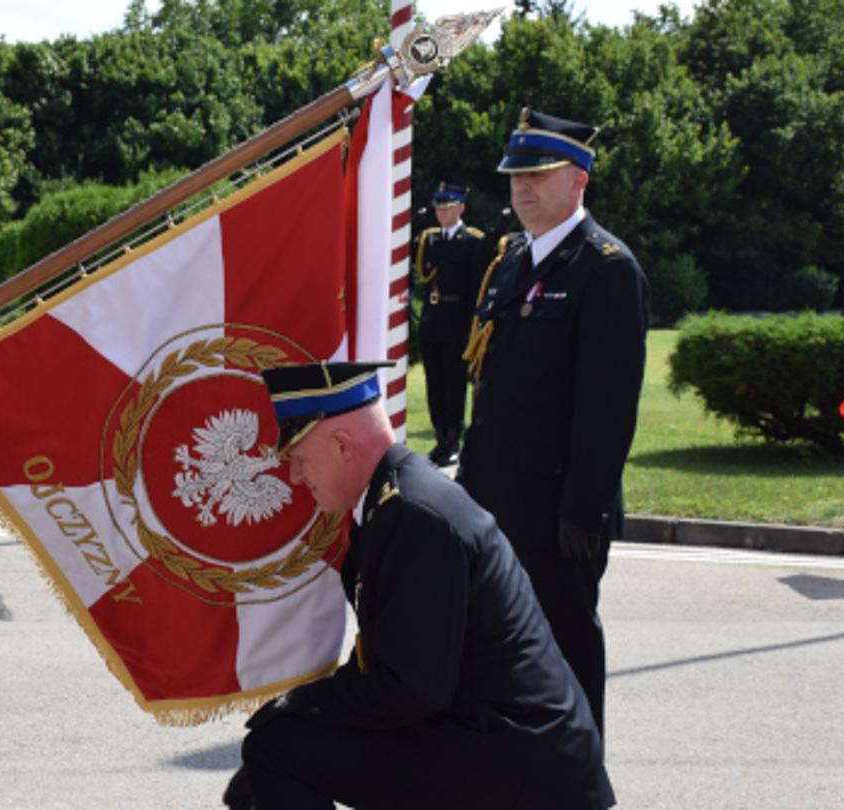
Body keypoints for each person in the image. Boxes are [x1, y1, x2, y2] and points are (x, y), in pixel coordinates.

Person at [222, 360, 613, 810]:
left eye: (299, 458)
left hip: (516, 764)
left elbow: (411, 688)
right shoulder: (397, 502)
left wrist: (302, 705)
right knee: (283, 744)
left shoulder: (413, 517)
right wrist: (303, 714)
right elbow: (389, 663)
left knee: (277, 747)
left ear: (342, 445)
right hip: (497, 742)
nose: (294, 476)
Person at [456, 108, 650, 741]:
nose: (522, 188)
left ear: (579, 181)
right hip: (495, 502)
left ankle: (579, 781)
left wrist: (583, 511)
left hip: (558, 512)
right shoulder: (510, 259)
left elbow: (608, 406)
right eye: (516, 176)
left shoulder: (606, 268)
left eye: (539, 174)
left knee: (564, 651)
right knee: (498, 655)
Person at [412, 182, 490, 467]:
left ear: (461, 208)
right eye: (438, 208)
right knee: (435, 384)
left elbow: (477, 286)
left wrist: (474, 326)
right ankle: (440, 439)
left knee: (454, 384)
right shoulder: (429, 240)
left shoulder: (472, 241)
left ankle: (454, 440)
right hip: (433, 320)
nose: (442, 213)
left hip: (457, 321)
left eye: (448, 207)